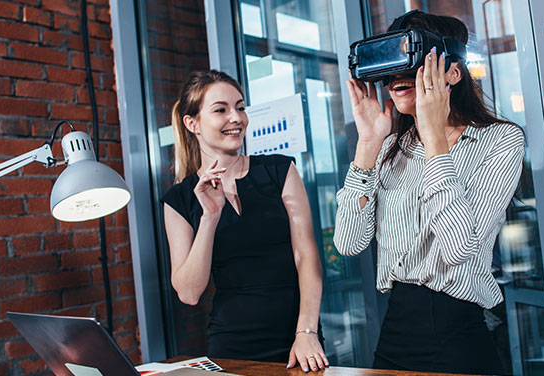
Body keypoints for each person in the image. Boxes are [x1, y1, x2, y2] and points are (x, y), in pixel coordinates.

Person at [334, 11, 524, 375]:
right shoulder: (391, 147)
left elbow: (458, 249)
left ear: (453, 72)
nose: (395, 77)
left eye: (413, 59)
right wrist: (369, 144)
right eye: (389, 65)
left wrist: (435, 137)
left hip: (458, 336)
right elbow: (348, 242)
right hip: (394, 335)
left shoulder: (500, 141)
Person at [161, 70, 327, 372]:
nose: (236, 118)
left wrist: (307, 332)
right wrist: (210, 217)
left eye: (240, 107)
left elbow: (306, 256)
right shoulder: (179, 200)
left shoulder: (279, 170)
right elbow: (188, 292)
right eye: (221, 110)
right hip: (231, 346)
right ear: (192, 123)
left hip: (299, 341)